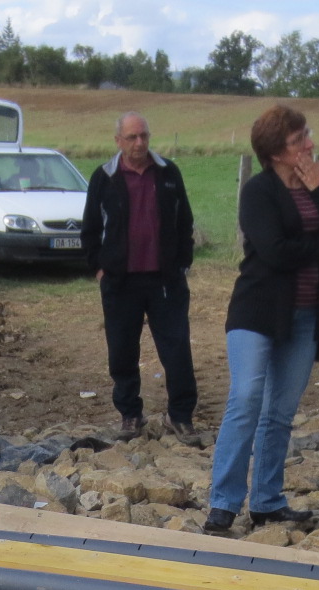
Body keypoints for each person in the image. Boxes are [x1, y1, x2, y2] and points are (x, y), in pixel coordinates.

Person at [205, 106, 319, 534]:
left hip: (307, 315)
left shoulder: (315, 186)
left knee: (279, 413)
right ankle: (223, 502)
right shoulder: (258, 192)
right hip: (256, 312)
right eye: (298, 141)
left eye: (307, 136)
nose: (309, 145)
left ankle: (268, 500)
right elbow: (274, 252)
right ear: (275, 152)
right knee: (246, 400)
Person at [81, 111, 199, 436]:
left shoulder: (168, 173)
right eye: (132, 137)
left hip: (166, 280)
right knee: (122, 350)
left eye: (144, 135)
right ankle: (130, 415)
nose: (139, 143)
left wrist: (182, 263)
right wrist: (100, 268)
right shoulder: (103, 178)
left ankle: (181, 415)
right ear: (118, 141)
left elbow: (185, 221)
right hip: (120, 282)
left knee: (176, 349)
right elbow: (90, 228)